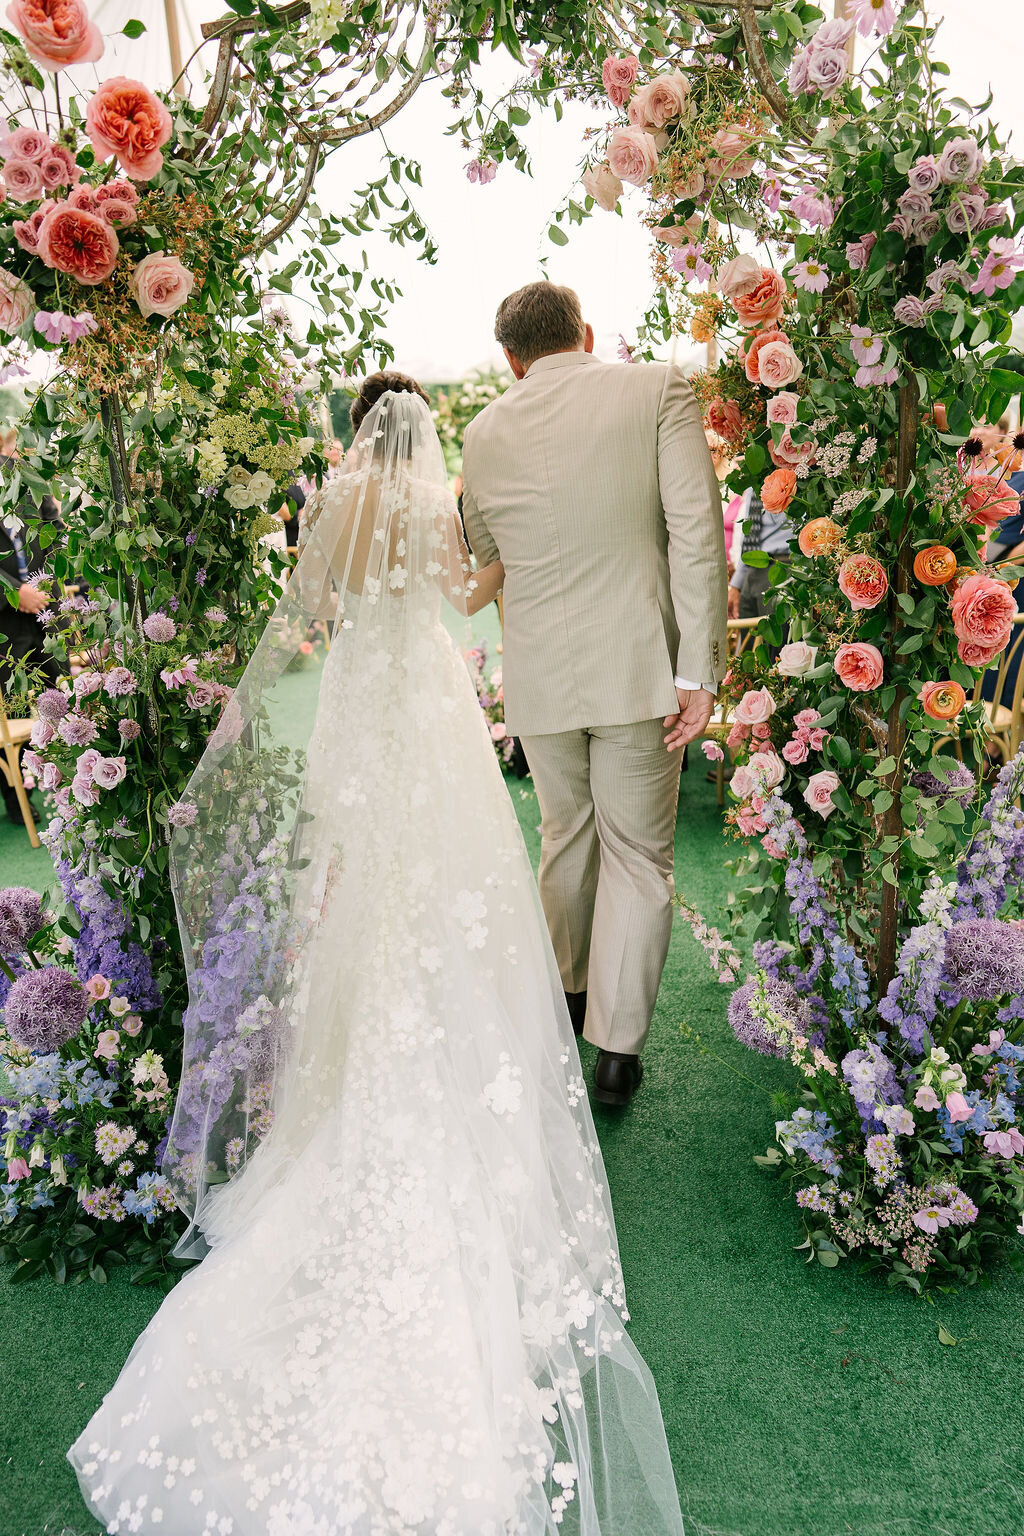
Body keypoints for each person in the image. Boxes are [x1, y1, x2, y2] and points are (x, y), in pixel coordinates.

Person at [68, 375, 686, 1536]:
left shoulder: (339, 503)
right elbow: (461, 597)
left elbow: (313, 612)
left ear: (353, 426)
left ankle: (340, 1074)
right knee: (454, 889)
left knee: (358, 891)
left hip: (362, 708)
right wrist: (503, 572)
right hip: (433, 710)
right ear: (419, 427)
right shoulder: (435, 501)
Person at [461, 282, 727, 1108]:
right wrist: (698, 672)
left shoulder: (481, 430)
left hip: (539, 670)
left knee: (565, 835)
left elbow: (481, 549)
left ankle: (567, 1000)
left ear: (511, 358)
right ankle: (616, 1053)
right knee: (638, 857)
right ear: (583, 332)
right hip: (641, 664)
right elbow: (696, 528)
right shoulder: (655, 388)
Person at [0, 431, 61, 823]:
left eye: (12, 445)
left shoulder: (29, 480)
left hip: (46, 611)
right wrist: (13, 593)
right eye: (5, 447)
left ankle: (64, 785)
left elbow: (55, 527)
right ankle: (17, 801)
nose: (10, 454)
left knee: (54, 696)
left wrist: (51, 579)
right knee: (12, 704)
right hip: (4, 624)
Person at [727, 487, 792, 620]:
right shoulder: (753, 488)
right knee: (747, 637)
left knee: (776, 638)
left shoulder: (797, 482)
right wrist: (736, 585)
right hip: (751, 569)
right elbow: (749, 537)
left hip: (782, 567)